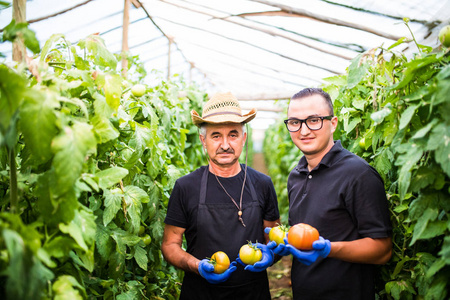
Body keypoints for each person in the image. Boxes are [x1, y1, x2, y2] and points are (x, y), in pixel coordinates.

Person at [269, 87, 392, 300]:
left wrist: (329, 249)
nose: (304, 130)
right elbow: (303, 238)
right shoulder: (295, 177)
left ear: (333, 123)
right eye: (295, 122)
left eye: (314, 120)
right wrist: (278, 249)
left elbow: (382, 250)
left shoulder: (358, 174)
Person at [161, 92, 280, 300]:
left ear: (243, 138)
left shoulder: (262, 184)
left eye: (233, 134)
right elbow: (170, 245)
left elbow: (275, 239)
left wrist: (272, 255)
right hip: (200, 293)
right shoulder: (186, 187)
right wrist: (197, 266)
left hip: (253, 293)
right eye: (216, 136)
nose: (225, 144)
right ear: (203, 140)